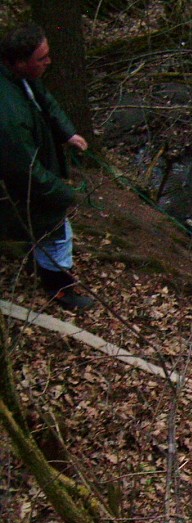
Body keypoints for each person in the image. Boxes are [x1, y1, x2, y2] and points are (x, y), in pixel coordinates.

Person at [0, 23, 93, 310]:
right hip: (18, 186)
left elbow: (44, 100)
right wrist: (65, 195)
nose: (49, 62)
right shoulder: (8, 114)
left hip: (30, 171)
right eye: (42, 59)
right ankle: (59, 289)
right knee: (56, 231)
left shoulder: (21, 77)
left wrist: (67, 132)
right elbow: (26, 171)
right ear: (19, 62)